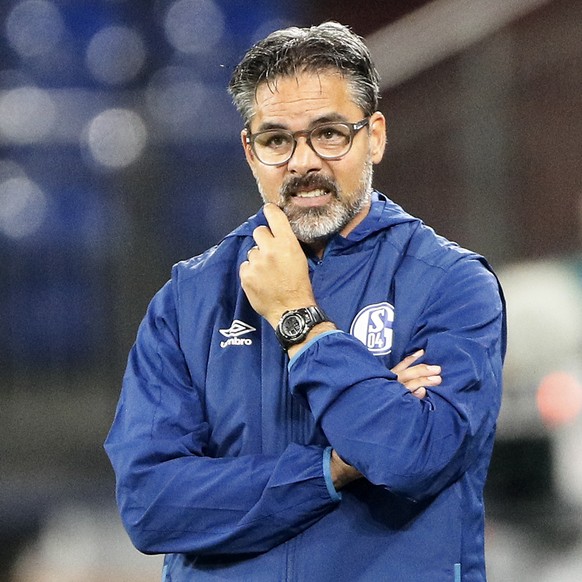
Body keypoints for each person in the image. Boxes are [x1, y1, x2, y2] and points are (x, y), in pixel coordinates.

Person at [104, 22, 506, 582]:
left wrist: (301, 321)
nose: (303, 162)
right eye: (276, 140)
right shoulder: (187, 299)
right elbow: (151, 505)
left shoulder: (452, 285)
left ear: (376, 137)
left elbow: (412, 458)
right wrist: (335, 466)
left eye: (329, 134)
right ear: (250, 151)